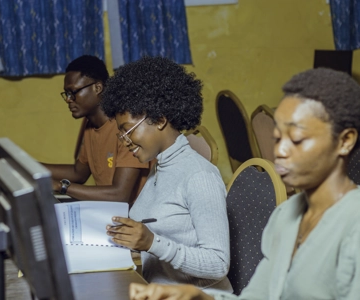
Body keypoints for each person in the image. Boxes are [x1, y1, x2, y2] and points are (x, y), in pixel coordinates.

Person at [128, 67, 360, 300]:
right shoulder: (286, 215)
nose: (280, 151)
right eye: (277, 138)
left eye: (297, 139)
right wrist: (199, 296)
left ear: (345, 141)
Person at [102, 56, 232, 293]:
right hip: (158, 291)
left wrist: (152, 242)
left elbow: (218, 264)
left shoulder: (199, 176)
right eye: (121, 135)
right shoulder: (159, 167)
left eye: (128, 131)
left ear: (160, 119)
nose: (125, 142)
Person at [42, 55, 150, 204]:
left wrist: (61, 186)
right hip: (110, 213)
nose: (68, 99)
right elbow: (78, 173)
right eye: (66, 94)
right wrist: (25, 166)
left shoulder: (128, 127)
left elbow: (119, 195)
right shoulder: (90, 126)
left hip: (136, 220)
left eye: (73, 92)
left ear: (98, 88)